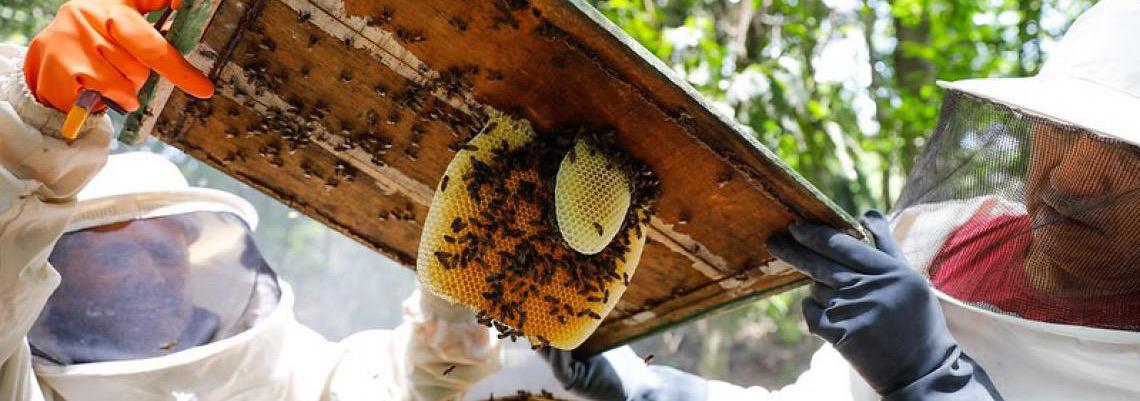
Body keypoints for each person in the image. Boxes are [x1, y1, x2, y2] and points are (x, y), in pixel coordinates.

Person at [540, 0, 1140, 400]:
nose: (1073, 179)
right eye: (1062, 131)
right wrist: (642, 388)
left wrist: (931, 381)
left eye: (1127, 158)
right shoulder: (952, 237)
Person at [0, 0, 502, 400]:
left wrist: (455, 287)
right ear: (56, 273)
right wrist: (35, 130)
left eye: (171, 252)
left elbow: (410, 387)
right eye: (127, 251)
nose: (163, 272)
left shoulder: (274, 375)